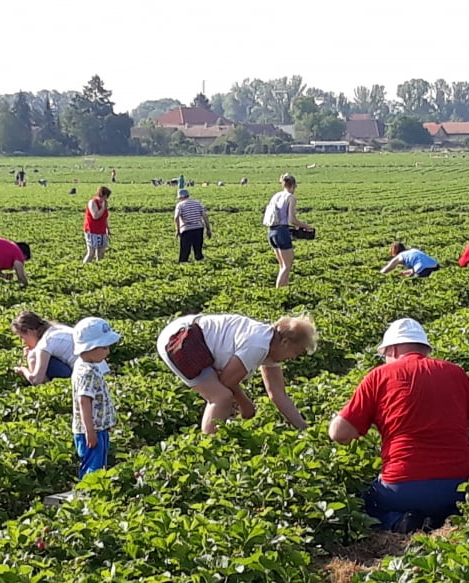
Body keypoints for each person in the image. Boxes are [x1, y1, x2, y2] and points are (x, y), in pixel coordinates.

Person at [328, 318, 469, 533]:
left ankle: (398, 521)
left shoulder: (378, 377)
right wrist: (463, 473)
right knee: (449, 503)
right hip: (457, 489)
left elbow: (338, 433)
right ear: (424, 349)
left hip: (401, 488)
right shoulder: (456, 373)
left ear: (393, 349)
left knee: (365, 504)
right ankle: (445, 516)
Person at [156, 313, 317, 434]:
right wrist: (245, 404)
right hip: (181, 339)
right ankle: (208, 447)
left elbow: (278, 394)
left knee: (223, 395)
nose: (293, 358)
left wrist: (304, 429)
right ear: (285, 342)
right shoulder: (258, 345)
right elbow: (225, 381)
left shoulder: (271, 346)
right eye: (296, 352)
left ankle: (215, 438)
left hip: (192, 336)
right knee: (220, 397)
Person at [71, 317, 121, 479]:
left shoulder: (86, 365)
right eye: (104, 347)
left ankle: (93, 492)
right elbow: (84, 401)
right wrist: (90, 431)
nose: (108, 352)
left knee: (99, 462)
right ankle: (88, 494)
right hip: (92, 430)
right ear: (90, 348)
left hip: (99, 427)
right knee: (93, 467)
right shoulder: (87, 372)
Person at [263, 173, 313, 287]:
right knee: (286, 266)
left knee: (282, 266)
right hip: (282, 232)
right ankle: (280, 293)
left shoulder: (276, 196)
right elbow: (292, 219)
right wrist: (306, 226)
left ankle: (282, 290)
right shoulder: (290, 197)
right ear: (293, 185)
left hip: (271, 232)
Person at [11, 311, 76, 385]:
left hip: (83, 375)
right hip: (89, 366)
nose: (23, 342)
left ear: (29, 331)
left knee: (33, 358)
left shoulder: (45, 343)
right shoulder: (58, 328)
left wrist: (23, 370)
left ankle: (53, 389)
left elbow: (36, 380)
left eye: (22, 337)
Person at [174, 188, 212, 262]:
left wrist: (177, 230)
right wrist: (208, 229)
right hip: (198, 228)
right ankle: (200, 262)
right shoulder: (197, 203)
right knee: (198, 249)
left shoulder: (180, 205)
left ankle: (183, 264)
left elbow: (176, 217)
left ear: (181, 197)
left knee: (185, 250)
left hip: (186, 229)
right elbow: (205, 216)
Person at [83, 186, 111, 263]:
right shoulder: (92, 202)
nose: (106, 198)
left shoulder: (104, 203)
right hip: (92, 230)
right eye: (106, 196)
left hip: (101, 230)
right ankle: (83, 267)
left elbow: (105, 217)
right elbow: (95, 216)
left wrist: (107, 229)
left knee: (101, 252)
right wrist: (102, 208)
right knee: (91, 253)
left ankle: (99, 266)